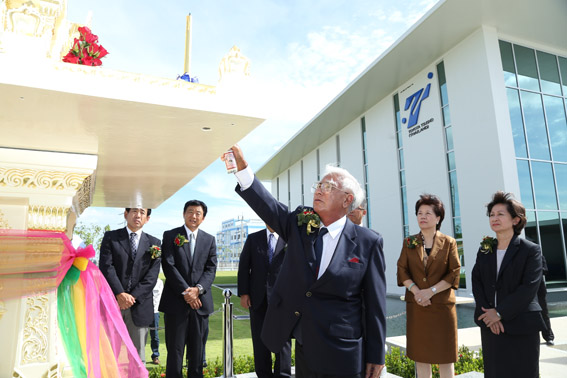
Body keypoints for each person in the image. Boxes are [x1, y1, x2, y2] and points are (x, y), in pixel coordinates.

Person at [223, 145, 387, 378]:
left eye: (328, 187)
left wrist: (376, 354)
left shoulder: (368, 242)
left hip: (345, 350)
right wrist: (242, 169)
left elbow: (375, 305)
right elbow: (270, 208)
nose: (319, 190)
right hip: (305, 345)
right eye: (318, 185)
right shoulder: (302, 224)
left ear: (346, 200)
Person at [472, 191, 545, 378]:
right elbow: (477, 281)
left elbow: (529, 287)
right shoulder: (485, 250)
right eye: (491, 215)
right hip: (490, 325)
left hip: (521, 325)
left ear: (515, 220)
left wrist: (499, 313)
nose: (494, 218)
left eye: (500, 214)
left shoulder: (530, 250)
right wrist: (488, 314)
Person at [396, 195, 460, 378]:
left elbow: (454, 272)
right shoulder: (409, 242)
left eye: (428, 213)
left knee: (445, 356)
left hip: (442, 307)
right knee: (420, 356)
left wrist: (430, 292)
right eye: (419, 213)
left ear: (438, 218)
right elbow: (402, 271)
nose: (422, 216)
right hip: (417, 307)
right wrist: (417, 292)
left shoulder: (449, 242)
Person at [159, 200, 218, 378]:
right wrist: (186, 292)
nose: (194, 216)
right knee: (175, 353)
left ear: (203, 217)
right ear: (184, 214)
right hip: (176, 304)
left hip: (200, 306)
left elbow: (211, 268)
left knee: (197, 353)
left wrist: (198, 290)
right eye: (190, 212)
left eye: (198, 213)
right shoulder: (170, 236)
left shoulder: (209, 239)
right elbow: (168, 265)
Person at [99, 208, 162, 363]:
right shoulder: (111, 237)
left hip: (139, 306)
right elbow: (106, 267)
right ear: (126, 214)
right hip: (113, 303)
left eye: (142, 212)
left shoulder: (155, 243)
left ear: (147, 218)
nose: (138, 215)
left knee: (137, 356)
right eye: (134, 211)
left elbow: (152, 276)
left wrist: (132, 296)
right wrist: (120, 294)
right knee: (110, 355)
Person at [238, 225, 292, 378]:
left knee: (283, 343)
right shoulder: (253, 238)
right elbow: (244, 266)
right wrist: (244, 293)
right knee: (260, 342)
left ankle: (283, 375)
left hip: (284, 300)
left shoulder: (290, 238)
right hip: (258, 299)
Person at [538, 254, 554, 345]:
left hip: (540, 288)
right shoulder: (522, 257)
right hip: (527, 289)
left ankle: (549, 337)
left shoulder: (540, 257)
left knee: (544, 312)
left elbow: (545, 270)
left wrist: (535, 268)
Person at [150, 278, 164, 364]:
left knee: (154, 334)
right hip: (143, 311)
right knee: (140, 335)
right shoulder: (142, 279)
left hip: (155, 311)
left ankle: (155, 355)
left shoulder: (159, 282)